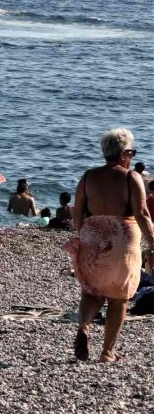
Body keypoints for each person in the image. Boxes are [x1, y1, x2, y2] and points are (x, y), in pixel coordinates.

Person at [66, 128, 154, 362]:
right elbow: (142, 213)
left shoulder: (87, 177)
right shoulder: (130, 177)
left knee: (92, 290)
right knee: (119, 296)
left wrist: (84, 234)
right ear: (124, 153)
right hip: (122, 240)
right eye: (132, 152)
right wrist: (153, 242)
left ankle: (83, 327)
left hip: (92, 236)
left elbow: (78, 213)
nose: (132, 157)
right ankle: (107, 352)